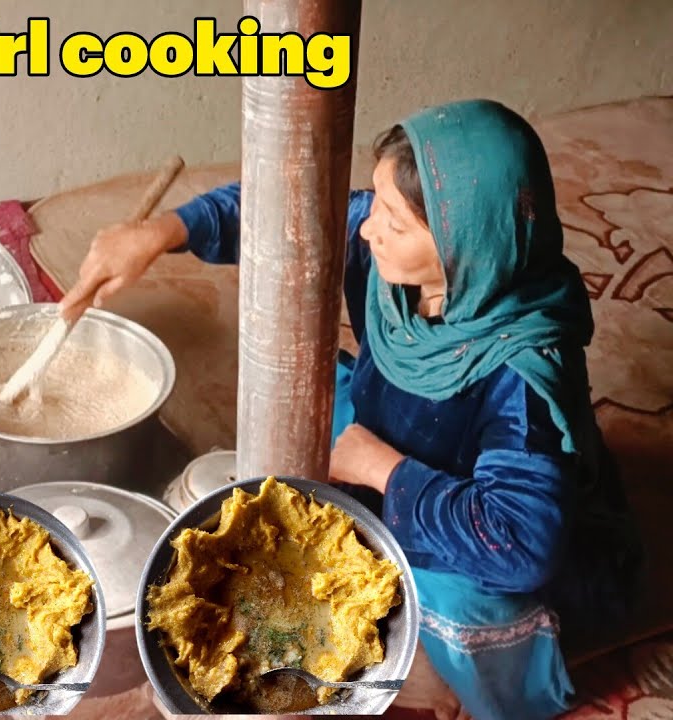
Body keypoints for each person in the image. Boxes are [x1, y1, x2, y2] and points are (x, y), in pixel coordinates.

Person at [61, 100, 642, 720]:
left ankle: (444, 678)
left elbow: (522, 544)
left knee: (462, 602)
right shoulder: (404, 259)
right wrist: (162, 232)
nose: (368, 229)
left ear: (460, 239)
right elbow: (291, 214)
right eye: (378, 204)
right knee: (288, 402)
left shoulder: (522, 370)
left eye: (393, 220)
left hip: (490, 521)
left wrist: (382, 469)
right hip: (389, 430)